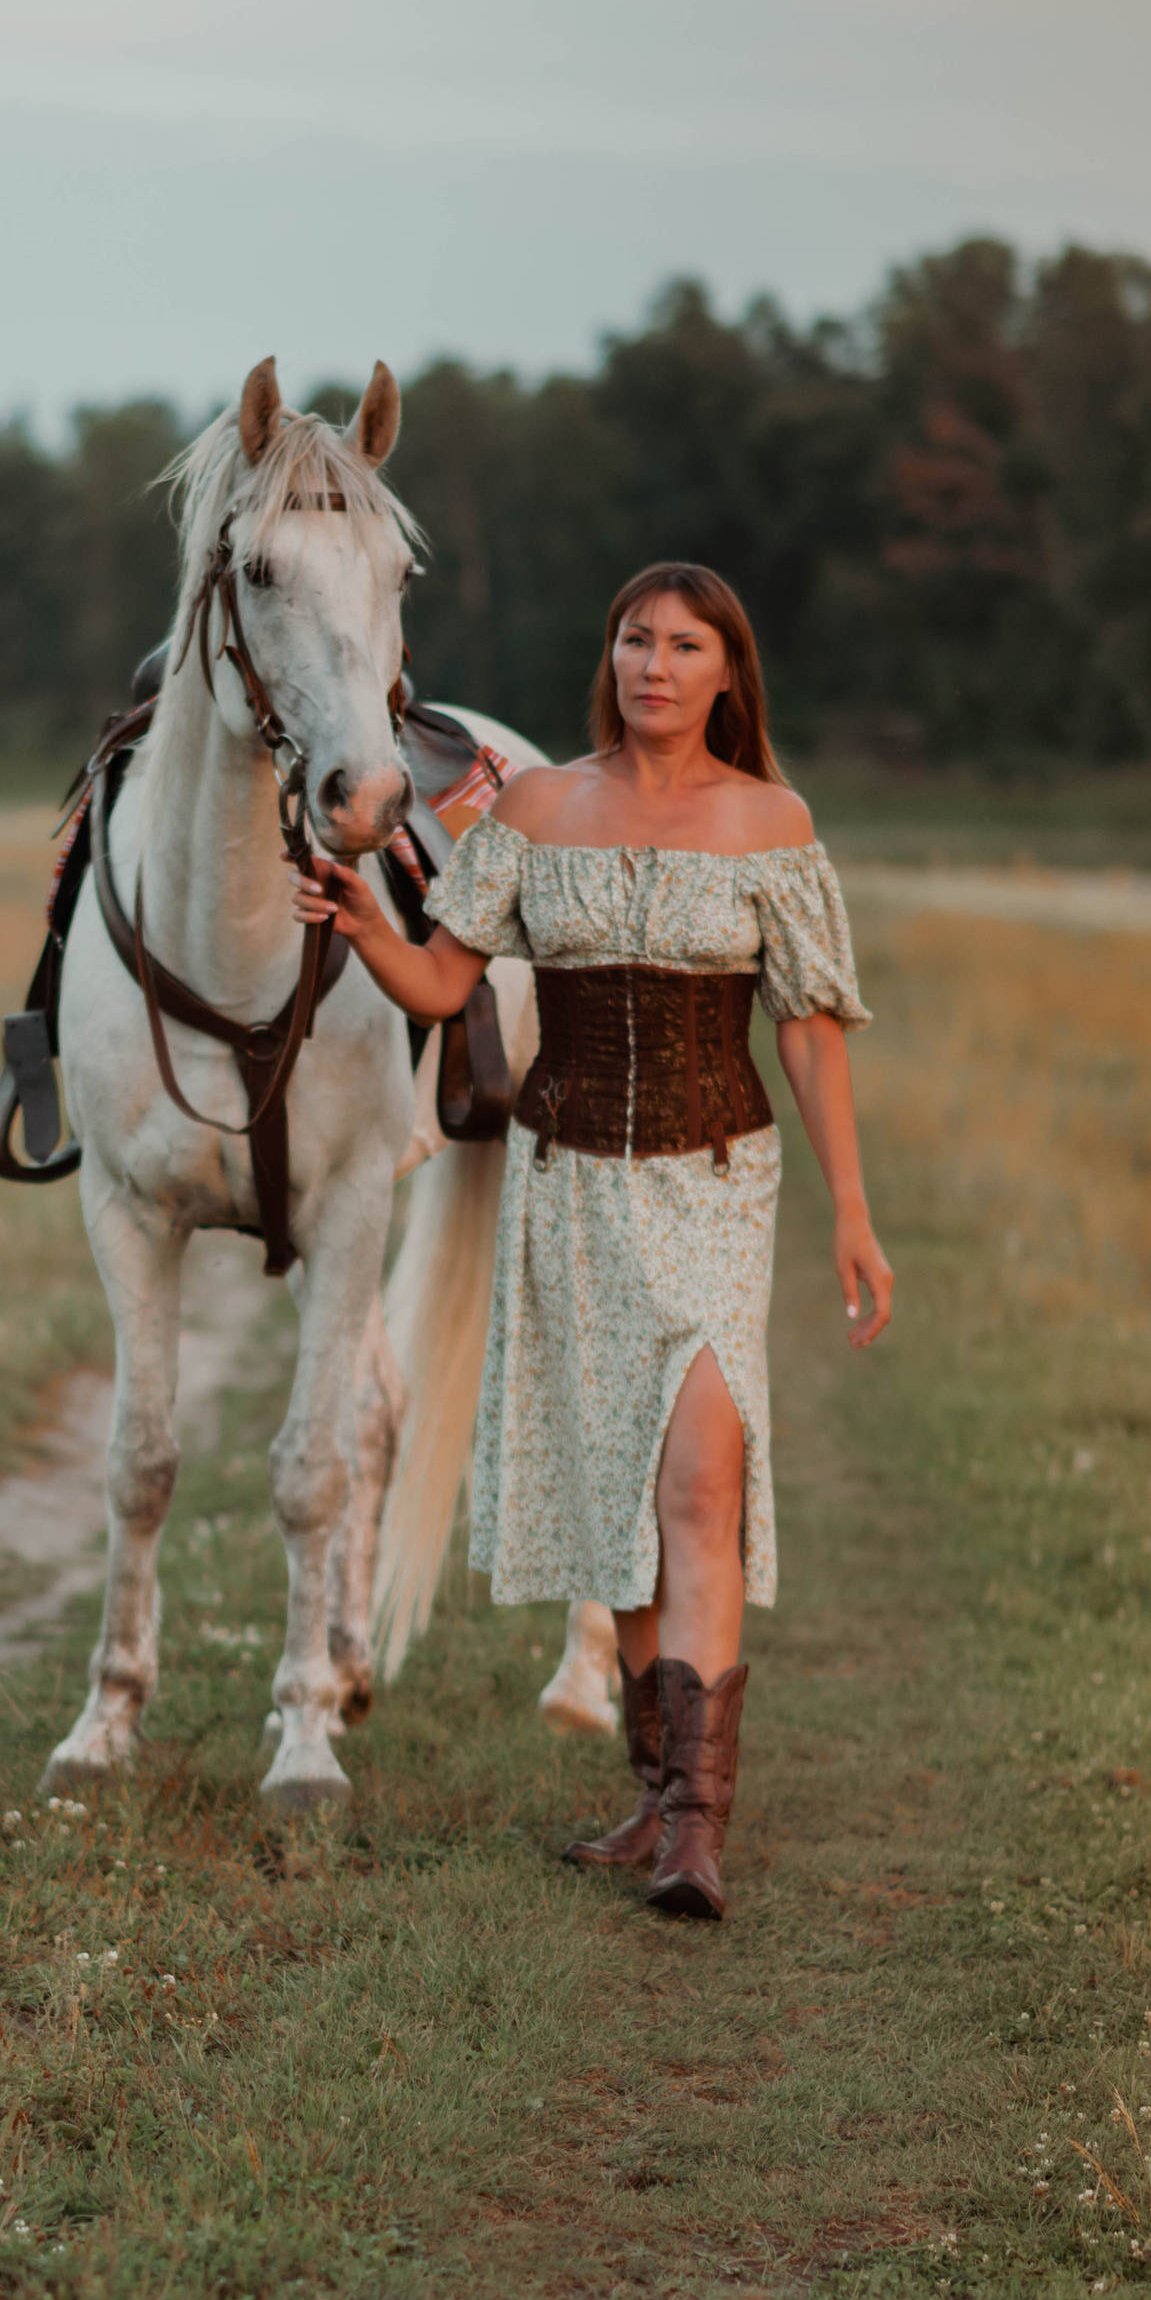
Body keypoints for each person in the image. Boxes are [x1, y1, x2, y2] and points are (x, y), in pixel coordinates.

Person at [292, 563, 891, 1921]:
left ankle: (696, 1829)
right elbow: (451, 983)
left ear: (730, 674)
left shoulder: (771, 823)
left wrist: (854, 1209)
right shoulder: (537, 807)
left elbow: (805, 1022)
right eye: (635, 640)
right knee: (618, 1496)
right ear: (609, 657)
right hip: (567, 1190)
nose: (656, 666)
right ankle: (650, 1789)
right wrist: (361, 923)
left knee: (697, 1482)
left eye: (686, 646)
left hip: (715, 1187)